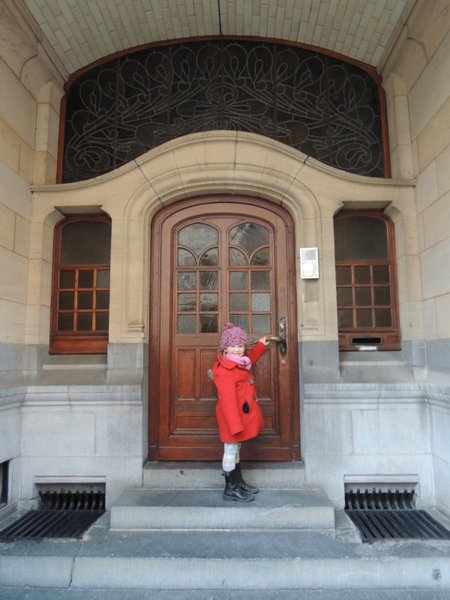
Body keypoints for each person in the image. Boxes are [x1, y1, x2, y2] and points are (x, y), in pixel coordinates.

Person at [211, 322, 270, 502]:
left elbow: (250, 358)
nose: (237, 349)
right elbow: (228, 402)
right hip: (232, 419)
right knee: (230, 451)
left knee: (236, 449)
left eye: (240, 345)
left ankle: (239, 481)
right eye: (232, 346)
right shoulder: (225, 370)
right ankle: (231, 488)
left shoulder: (239, 362)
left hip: (239, 416)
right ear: (225, 348)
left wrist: (261, 345)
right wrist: (235, 426)